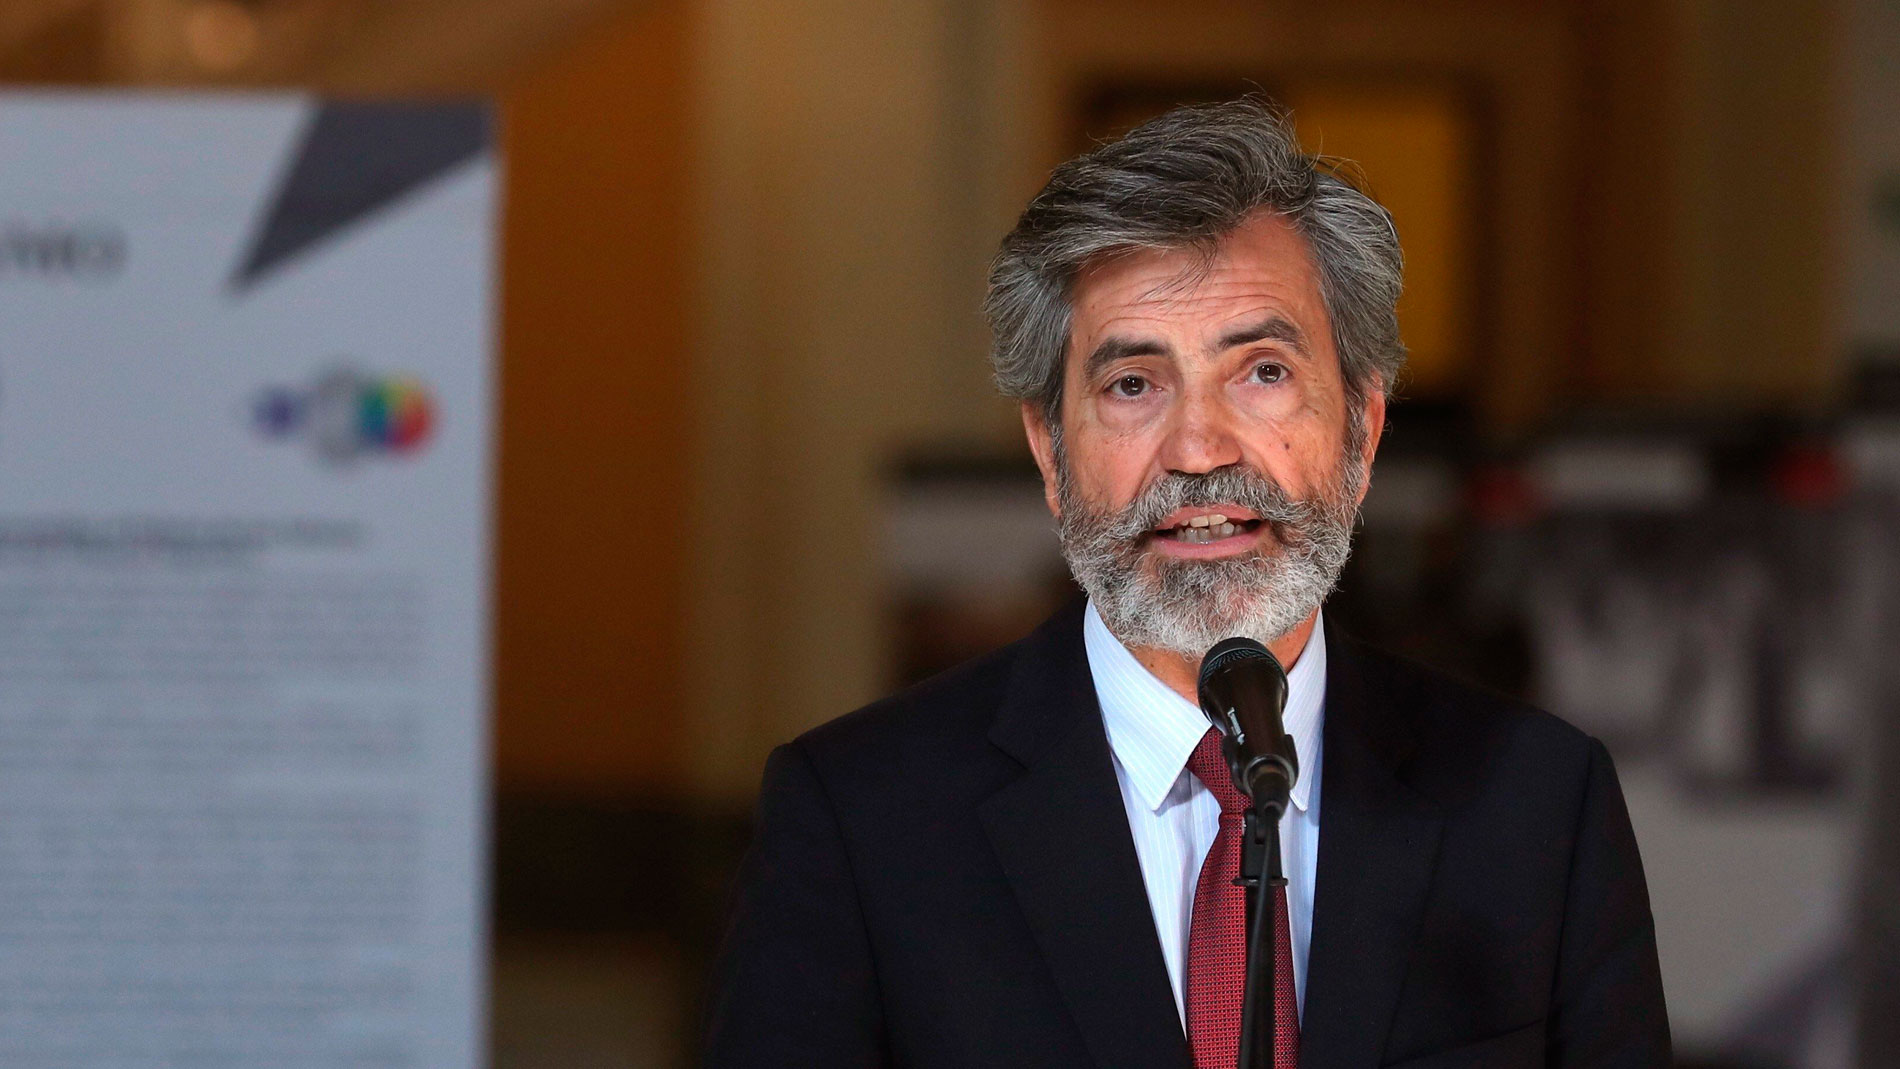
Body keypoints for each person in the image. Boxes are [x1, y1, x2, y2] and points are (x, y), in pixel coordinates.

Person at [703, 98, 1670, 1068]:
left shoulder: (1538, 803)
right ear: (1050, 450)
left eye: (1262, 373)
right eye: (1133, 384)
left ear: (1364, 429)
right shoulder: (860, 819)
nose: (1199, 450)